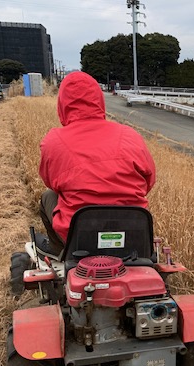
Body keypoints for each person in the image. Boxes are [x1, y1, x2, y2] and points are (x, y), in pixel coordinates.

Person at [37, 71, 156, 258]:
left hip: (79, 237)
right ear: (99, 101)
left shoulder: (53, 141)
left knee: (48, 196)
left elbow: (51, 182)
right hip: (133, 233)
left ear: (62, 105)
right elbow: (148, 182)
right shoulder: (130, 135)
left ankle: (59, 250)